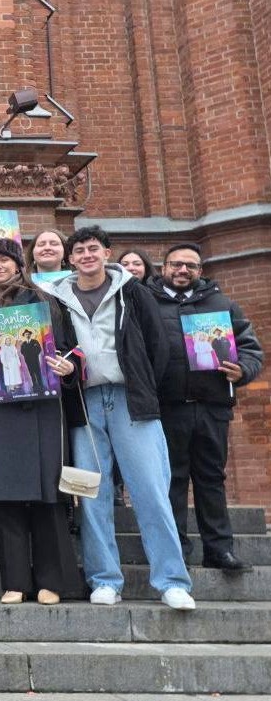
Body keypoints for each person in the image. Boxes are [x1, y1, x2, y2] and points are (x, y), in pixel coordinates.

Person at [47, 227, 196, 610]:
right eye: (78, 251)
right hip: (85, 403)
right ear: (70, 259)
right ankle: (105, 579)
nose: (85, 256)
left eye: (92, 249)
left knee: (150, 490)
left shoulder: (133, 292)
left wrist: (144, 386)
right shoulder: (57, 298)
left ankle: (172, 580)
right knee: (91, 494)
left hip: (131, 400)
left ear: (106, 252)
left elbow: (157, 346)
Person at [0, 239, 81, 604]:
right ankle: (15, 581)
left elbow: (71, 347)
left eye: (4, 260)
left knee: (47, 498)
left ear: (18, 265)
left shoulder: (45, 303)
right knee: (6, 501)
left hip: (40, 411)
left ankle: (51, 582)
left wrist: (67, 366)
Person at [150, 242, 264, 573]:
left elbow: (250, 349)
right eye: (176, 264)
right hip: (168, 407)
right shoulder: (148, 304)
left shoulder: (221, 304)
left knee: (211, 478)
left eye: (190, 266)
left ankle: (219, 549)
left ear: (200, 271)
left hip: (212, 407)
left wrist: (243, 369)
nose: (182, 270)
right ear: (164, 268)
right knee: (171, 481)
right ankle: (176, 551)